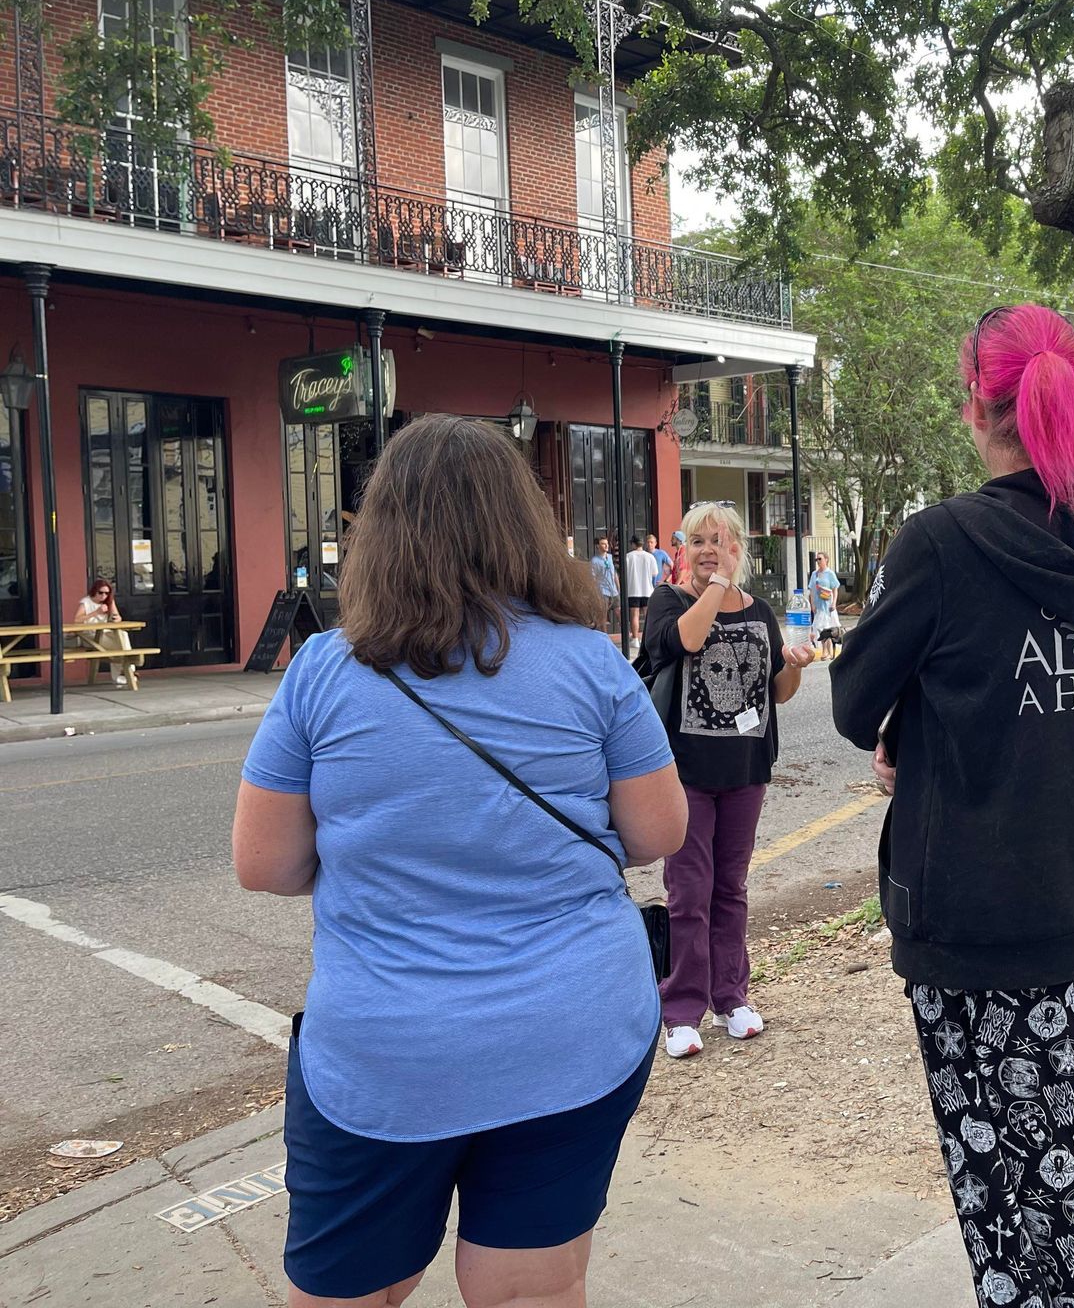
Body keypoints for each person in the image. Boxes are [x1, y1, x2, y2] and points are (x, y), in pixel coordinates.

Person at [231, 415, 687, 1308]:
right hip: (573, 1032)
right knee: (531, 1288)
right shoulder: (593, 664)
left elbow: (266, 864)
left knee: (349, 1291)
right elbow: (657, 832)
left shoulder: (323, 672)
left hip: (385, 1054)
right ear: (522, 523)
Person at [831, 304, 1074, 1308]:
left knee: (1021, 1225)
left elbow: (857, 705)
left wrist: (910, 730)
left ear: (974, 411)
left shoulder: (942, 543)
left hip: (989, 940)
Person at [644, 501, 814, 1060]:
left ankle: (731, 997)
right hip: (686, 772)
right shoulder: (669, 602)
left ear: (739, 546)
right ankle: (681, 1008)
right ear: (683, 551)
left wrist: (793, 664)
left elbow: (777, 694)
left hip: (746, 770)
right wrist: (717, 589)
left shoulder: (760, 611)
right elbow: (688, 642)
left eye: (720, 540)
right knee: (688, 892)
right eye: (698, 541)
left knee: (731, 889)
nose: (709, 549)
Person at [73, 576, 137, 688]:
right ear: (94, 591)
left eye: (106, 593)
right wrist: (96, 612)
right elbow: (76, 620)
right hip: (89, 635)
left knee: (123, 635)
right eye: (100, 592)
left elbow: (118, 617)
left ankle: (122, 673)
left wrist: (116, 618)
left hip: (104, 631)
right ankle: (128, 670)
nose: (103, 596)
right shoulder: (86, 602)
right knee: (118, 645)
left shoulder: (109, 602)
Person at [624, 535, 660, 659]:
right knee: (648, 615)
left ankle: (635, 638)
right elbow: (655, 573)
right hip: (647, 589)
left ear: (633, 544)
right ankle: (651, 637)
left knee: (634, 615)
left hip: (633, 589)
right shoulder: (650, 557)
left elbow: (624, 572)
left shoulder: (628, 556)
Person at [807, 552, 841, 659]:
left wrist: (834, 603)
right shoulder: (814, 574)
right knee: (820, 629)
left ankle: (829, 651)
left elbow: (835, 590)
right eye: (816, 559)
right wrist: (812, 604)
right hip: (819, 606)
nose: (818, 561)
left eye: (820, 559)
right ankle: (824, 650)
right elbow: (812, 591)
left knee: (828, 629)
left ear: (826, 559)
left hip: (828, 605)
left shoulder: (830, 574)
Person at [589, 535, 619, 634]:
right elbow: (593, 578)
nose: (606, 546)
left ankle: (625, 636)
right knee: (603, 616)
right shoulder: (594, 561)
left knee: (619, 612)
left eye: (607, 543)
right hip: (602, 591)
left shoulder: (610, 557)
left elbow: (614, 574)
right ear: (598, 546)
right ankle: (605, 636)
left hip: (613, 590)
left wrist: (618, 588)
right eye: (603, 544)